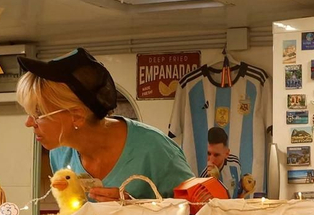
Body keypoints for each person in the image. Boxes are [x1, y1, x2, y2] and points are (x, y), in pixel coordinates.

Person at [18, 49, 193, 201]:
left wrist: (138, 207)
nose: (29, 123)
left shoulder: (155, 150)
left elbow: (201, 214)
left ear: (77, 116)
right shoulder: (60, 153)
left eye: (38, 114)